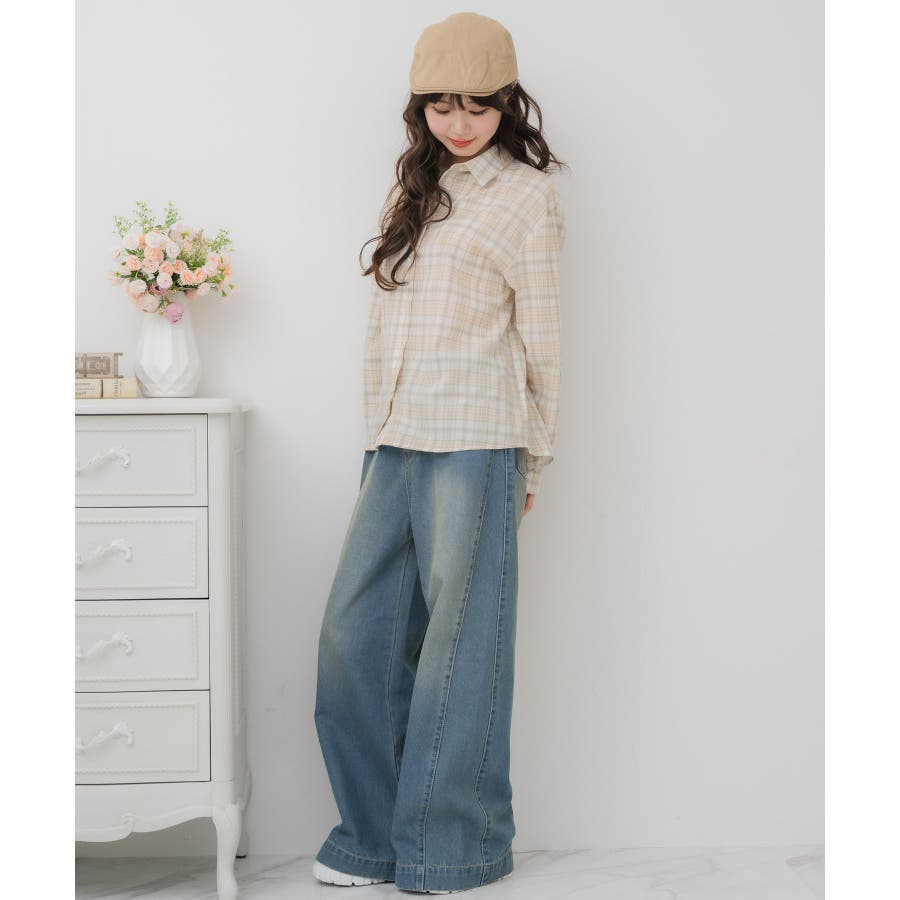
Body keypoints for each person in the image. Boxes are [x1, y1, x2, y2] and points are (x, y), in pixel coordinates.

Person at [313, 11, 567, 894]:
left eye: (479, 106)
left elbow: (542, 339)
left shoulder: (527, 197)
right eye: (441, 106)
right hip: (396, 441)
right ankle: (372, 840)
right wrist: (375, 433)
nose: (460, 124)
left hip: (478, 437)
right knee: (355, 638)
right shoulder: (414, 193)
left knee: (461, 649)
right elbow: (383, 332)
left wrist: (534, 458)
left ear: (508, 105)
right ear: (419, 106)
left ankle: (452, 847)